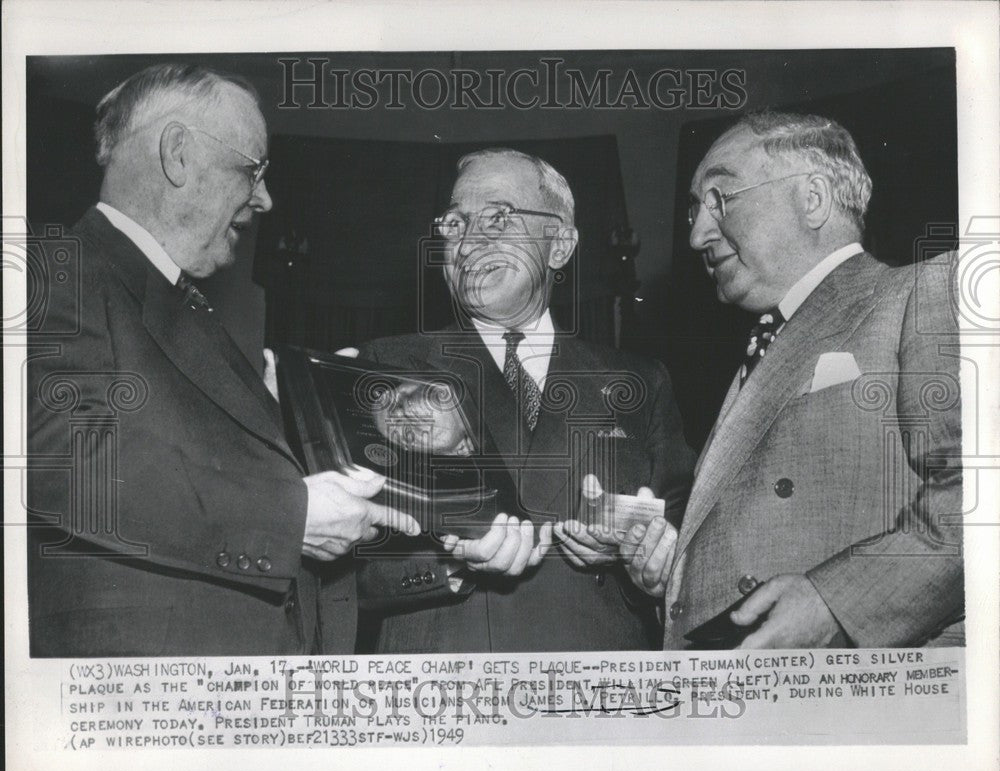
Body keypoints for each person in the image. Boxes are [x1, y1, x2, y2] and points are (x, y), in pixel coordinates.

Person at [27, 63, 419, 657]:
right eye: (253, 169)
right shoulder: (50, 275)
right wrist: (290, 514)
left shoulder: (184, 306)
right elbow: (61, 459)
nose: (264, 198)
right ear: (179, 154)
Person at [622, 111, 963, 649]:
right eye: (695, 208)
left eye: (720, 199)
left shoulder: (926, 290)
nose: (696, 234)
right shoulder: (762, 344)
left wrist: (839, 601)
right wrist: (676, 572)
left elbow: (980, 496)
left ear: (813, 198)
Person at [359, 148, 695, 652]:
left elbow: (690, 548)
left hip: (596, 695)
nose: (469, 241)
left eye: (498, 218)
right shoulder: (386, 367)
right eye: (455, 223)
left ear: (558, 244)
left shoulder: (639, 383)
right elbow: (347, 565)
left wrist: (644, 563)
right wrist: (453, 564)